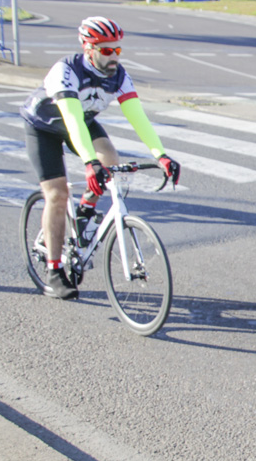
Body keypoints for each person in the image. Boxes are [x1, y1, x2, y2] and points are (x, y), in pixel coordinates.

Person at [21, 16, 181, 300]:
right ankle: (54, 270)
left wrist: (161, 155)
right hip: (45, 126)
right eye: (107, 50)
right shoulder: (66, 71)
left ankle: (83, 212)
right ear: (88, 48)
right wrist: (89, 163)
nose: (114, 56)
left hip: (82, 121)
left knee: (110, 159)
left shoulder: (119, 76)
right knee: (57, 195)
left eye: (117, 50)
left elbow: (138, 117)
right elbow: (71, 119)